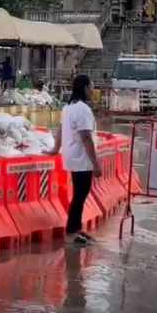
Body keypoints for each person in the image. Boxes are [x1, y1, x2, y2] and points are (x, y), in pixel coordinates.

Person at [51, 74, 101, 245]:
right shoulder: (83, 110)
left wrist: (55, 149)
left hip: (72, 157)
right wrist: (96, 164)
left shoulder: (69, 108)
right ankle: (71, 232)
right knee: (80, 196)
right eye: (92, 87)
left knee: (79, 194)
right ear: (86, 88)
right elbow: (86, 137)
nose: (93, 90)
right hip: (82, 159)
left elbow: (60, 129)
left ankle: (76, 229)